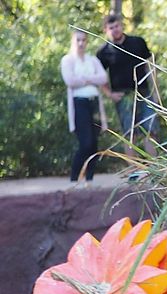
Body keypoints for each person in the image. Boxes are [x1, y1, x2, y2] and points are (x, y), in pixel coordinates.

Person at [96, 14, 159, 156]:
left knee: (151, 129)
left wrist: (155, 91)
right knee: (129, 133)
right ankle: (134, 173)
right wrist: (109, 94)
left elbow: (150, 66)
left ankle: (156, 169)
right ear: (106, 30)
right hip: (123, 96)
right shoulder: (103, 52)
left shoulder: (138, 42)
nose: (115, 30)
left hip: (144, 92)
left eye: (117, 26)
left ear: (122, 25)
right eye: (111, 28)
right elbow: (99, 76)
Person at [61, 29, 108, 183]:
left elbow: (103, 78)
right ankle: (74, 179)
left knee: (94, 144)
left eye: (83, 40)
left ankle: (90, 179)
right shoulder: (67, 60)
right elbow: (70, 81)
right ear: (73, 41)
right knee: (85, 142)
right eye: (78, 40)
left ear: (87, 42)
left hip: (93, 103)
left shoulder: (92, 60)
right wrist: (91, 80)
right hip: (79, 104)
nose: (81, 43)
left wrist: (84, 78)